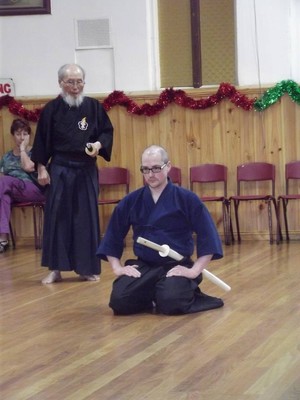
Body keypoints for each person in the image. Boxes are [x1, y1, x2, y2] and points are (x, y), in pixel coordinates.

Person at [97, 145, 224, 315]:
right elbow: (112, 235)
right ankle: (155, 294)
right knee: (119, 301)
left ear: (168, 166)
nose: (150, 174)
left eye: (156, 168)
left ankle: (173, 294)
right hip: (145, 266)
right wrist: (117, 268)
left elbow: (208, 235)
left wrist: (193, 271)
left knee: (171, 302)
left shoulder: (187, 199)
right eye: (146, 169)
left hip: (175, 265)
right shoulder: (131, 200)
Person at [31, 63, 113, 284]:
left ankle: (86, 268)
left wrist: (97, 145)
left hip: (85, 169)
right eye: (71, 82)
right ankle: (55, 269)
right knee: (57, 218)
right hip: (59, 169)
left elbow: (106, 132)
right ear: (61, 83)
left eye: (79, 82)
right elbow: (41, 143)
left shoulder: (94, 107)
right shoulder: (51, 110)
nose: (76, 87)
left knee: (85, 218)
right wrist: (41, 168)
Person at [0, 119, 46, 253]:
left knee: (5, 181)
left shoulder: (35, 152)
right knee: (4, 196)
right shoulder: (6, 157)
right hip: (12, 190)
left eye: (25, 134)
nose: (21, 137)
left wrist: (22, 150)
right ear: (12, 135)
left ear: (29, 136)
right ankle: (2, 240)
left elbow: (29, 168)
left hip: (33, 189)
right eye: (18, 134)